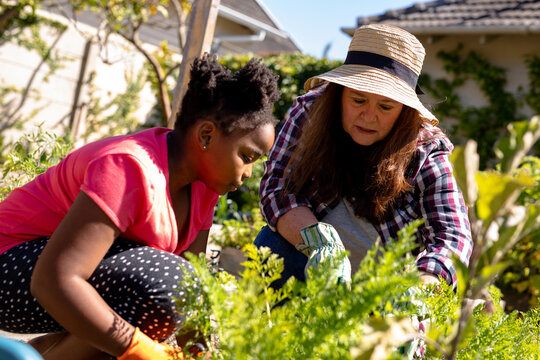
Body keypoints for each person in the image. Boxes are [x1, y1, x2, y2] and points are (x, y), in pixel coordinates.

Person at [0, 54, 280, 360]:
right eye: (247, 157)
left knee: (176, 286)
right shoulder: (130, 166)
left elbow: (193, 289)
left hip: (44, 277)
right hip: (11, 268)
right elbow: (53, 279)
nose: (250, 173)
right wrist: (143, 352)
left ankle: (37, 355)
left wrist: (196, 354)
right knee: (163, 286)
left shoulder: (204, 188)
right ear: (206, 135)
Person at [255, 24, 473, 290]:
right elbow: (277, 186)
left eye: (385, 106)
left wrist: (419, 287)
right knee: (272, 244)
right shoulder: (311, 113)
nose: (369, 116)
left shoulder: (425, 150)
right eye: (358, 100)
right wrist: (319, 243)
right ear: (339, 94)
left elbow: (452, 237)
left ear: (405, 111)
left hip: (385, 285)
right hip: (307, 263)